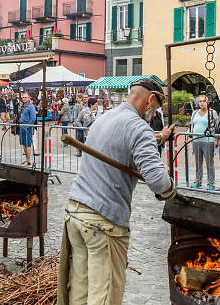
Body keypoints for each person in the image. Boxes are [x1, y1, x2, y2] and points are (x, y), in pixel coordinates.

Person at [57, 79, 177, 305]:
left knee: (79, 294)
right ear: (150, 99)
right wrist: (171, 192)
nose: (154, 113)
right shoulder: (139, 126)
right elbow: (158, 181)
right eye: (156, 107)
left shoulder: (105, 118)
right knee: (104, 296)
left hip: (76, 214)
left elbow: (128, 141)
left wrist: (160, 136)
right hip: (103, 224)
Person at [189, 94, 219, 190]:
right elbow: (191, 126)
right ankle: (198, 181)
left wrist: (216, 139)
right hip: (196, 140)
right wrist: (187, 136)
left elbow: (216, 127)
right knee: (198, 162)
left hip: (208, 141)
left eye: (204, 101)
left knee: (209, 163)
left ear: (207, 102)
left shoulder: (212, 112)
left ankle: (211, 184)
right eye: (200, 101)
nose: (202, 103)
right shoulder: (194, 113)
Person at [18, 92, 37, 166]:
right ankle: (26, 159)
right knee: (23, 143)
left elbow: (33, 118)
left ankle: (28, 160)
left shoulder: (31, 106)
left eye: (25, 97)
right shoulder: (22, 106)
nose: (24, 98)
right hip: (21, 126)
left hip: (27, 127)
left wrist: (28, 126)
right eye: (23, 97)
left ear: (29, 98)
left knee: (28, 144)